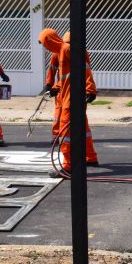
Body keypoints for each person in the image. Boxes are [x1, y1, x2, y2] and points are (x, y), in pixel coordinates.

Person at [38, 28, 99, 177]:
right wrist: (55, 88)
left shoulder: (67, 49)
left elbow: (84, 68)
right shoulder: (61, 52)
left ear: (50, 41)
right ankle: (90, 158)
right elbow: (66, 77)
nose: (46, 48)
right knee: (83, 129)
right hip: (69, 96)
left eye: (46, 44)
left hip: (72, 99)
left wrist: (90, 89)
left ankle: (68, 166)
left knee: (66, 133)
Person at [43, 30, 63, 138]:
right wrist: (49, 84)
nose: (46, 48)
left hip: (70, 88)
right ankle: (56, 135)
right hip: (61, 89)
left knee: (69, 112)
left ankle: (68, 135)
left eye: (46, 45)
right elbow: (52, 69)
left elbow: (70, 75)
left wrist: (55, 87)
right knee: (59, 111)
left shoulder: (68, 51)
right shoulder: (56, 53)